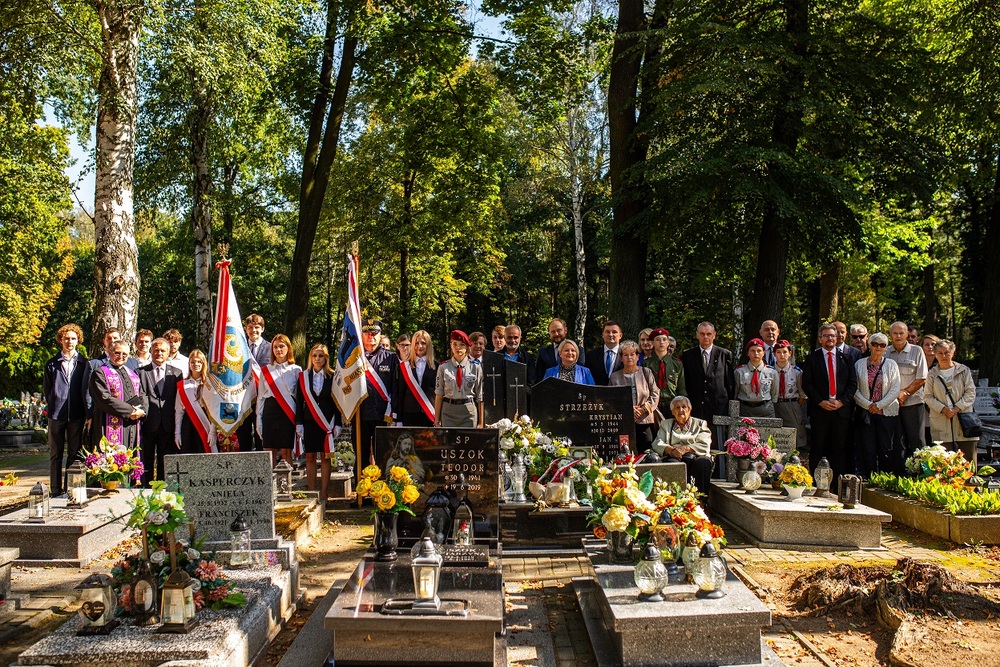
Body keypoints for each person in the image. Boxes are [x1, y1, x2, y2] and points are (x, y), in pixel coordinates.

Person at [801, 324, 857, 481]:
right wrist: (820, 401)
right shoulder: (812, 358)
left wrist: (841, 402)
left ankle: (835, 486)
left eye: (833, 335)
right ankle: (814, 482)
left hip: (841, 411)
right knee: (818, 448)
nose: (830, 338)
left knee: (839, 450)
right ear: (820, 339)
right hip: (820, 411)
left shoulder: (847, 358)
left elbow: (853, 384)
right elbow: (807, 384)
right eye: (826, 335)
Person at [43, 324, 89, 496]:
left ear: (78, 340)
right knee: (56, 454)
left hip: (77, 414)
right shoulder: (52, 364)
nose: (70, 342)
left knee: (74, 452)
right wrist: (54, 402)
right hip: (56, 414)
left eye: (73, 338)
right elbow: (47, 389)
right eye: (67, 338)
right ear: (61, 340)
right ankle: (55, 489)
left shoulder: (84, 363)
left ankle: (70, 489)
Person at [680, 322, 735, 450]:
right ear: (697, 335)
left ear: (714, 335)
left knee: (717, 445)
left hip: (718, 408)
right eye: (702, 334)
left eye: (709, 334)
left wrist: (730, 407)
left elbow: (730, 383)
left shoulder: (724, 354)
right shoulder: (688, 355)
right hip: (696, 407)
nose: (706, 337)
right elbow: (686, 381)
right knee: (695, 444)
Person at [853, 333, 901, 476]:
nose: (878, 347)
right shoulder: (859, 364)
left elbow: (895, 388)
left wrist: (879, 405)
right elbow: (854, 389)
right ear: (869, 345)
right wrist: (868, 405)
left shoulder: (891, 364)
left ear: (886, 348)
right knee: (868, 448)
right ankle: (870, 478)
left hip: (886, 413)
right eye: (875, 344)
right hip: (866, 412)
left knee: (886, 448)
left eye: (882, 345)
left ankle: (886, 479)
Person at [924, 339, 978, 466]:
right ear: (935, 354)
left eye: (947, 353)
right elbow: (927, 396)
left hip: (963, 419)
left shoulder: (964, 370)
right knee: (944, 462)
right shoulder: (932, 374)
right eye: (940, 353)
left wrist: (956, 408)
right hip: (941, 419)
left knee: (968, 460)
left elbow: (970, 393)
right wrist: (943, 409)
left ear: (953, 353)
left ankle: (969, 485)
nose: (943, 356)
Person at [296, 344, 338, 501]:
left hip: (327, 423)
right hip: (309, 422)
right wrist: (299, 423)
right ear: (310, 358)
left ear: (326, 358)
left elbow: (337, 402)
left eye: (321, 356)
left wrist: (338, 423)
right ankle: (312, 492)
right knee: (310, 457)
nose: (317, 359)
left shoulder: (333, 376)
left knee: (326, 457)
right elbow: (299, 402)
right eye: (315, 356)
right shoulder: (303, 376)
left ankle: (324, 492)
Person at [139, 338, 184, 485]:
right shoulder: (140, 372)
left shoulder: (177, 374)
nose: (159, 353)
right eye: (156, 350)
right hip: (148, 423)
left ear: (168, 352)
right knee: (146, 459)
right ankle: (145, 489)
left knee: (165, 461)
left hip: (168, 424)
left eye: (163, 351)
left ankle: (162, 490)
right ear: (151, 351)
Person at [89, 341, 147, 451]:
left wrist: (143, 411)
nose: (121, 356)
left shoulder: (132, 373)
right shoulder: (100, 373)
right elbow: (104, 399)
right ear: (109, 352)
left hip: (132, 424)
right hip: (108, 423)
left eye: (124, 354)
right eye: (117, 353)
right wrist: (130, 411)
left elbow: (142, 394)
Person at [651, 396, 715, 495]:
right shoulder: (666, 424)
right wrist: (671, 450)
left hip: (695, 455)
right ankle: (673, 499)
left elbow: (704, 444)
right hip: (674, 456)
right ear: (672, 412)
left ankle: (701, 500)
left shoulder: (700, 424)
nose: (681, 410)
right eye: (677, 408)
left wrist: (685, 448)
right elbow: (657, 443)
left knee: (703, 463)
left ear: (689, 410)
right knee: (672, 465)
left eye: (684, 407)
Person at [887, 321, 928, 467]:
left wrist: (905, 392)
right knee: (896, 442)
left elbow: (922, 377)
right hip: (892, 405)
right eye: (895, 333)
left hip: (913, 403)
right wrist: (895, 396)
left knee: (917, 440)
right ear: (890, 334)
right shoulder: (885, 352)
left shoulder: (916, 351)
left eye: (901, 333)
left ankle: (921, 475)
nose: (898, 336)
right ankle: (899, 475)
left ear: (907, 334)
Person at [257, 334, 301, 466]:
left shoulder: (296, 370)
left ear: (288, 348)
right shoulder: (265, 370)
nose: (278, 349)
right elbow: (260, 397)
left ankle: (286, 485)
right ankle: (270, 485)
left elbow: (299, 398)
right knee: (270, 451)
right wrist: (258, 418)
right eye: (275, 347)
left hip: (287, 412)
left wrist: (299, 420)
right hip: (270, 411)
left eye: (281, 346)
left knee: (286, 451)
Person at [610, 340, 660, 451]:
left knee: (646, 451)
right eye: (626, 355)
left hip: (645, 419)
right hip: (624, 421)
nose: (629, 358)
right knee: (626, 452)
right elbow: (611, 400)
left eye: (632, 354)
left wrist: (642, 409)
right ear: (621, 358)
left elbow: (655, 394)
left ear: (638, 356)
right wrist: (628, 410)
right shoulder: (614, 377)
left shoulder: (646, 372)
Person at [358, 318, 395, 464]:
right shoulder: (354, 359)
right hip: (360, 413)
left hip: (383, 414)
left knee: (384, 455)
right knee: (361, 455)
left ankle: (384, 486)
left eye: (374, 333)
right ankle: (360, 486)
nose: (370, 336)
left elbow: (395, 388)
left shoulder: (391, 358)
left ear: (380, 335)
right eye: (367, 333)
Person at [434, 330, 484, 428]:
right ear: (451, 345)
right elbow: (439, 395)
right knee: (448, 442)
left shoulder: (475, 367)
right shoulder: (443, 367)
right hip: (448, 412)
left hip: (468, 412)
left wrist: (481, 423)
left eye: (462, 344)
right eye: (455, 344)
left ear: (467, 347)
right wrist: (436, 420)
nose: (458, 347)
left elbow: (480, 397)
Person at [235, 314, 268, 453]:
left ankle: (262, 469)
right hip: (242, 397)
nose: (253, 330)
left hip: (262, 396)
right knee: (243, 434)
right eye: (250, 327)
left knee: (262, 434)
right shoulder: (237, 348)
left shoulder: (271, 348)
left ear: (262, 329)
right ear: (245, 329)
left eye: (256, 327)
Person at [392, 330, 437, 427]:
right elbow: (400, 393)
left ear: (428, 345)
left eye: (423, 343)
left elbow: (438, 393)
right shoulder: (405, 366)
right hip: (409, 413)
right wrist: (399, 419)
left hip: (430, 413)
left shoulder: (437, 366)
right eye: (416, 343)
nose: (419, 346)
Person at [175, 350, 216, 454]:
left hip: (206, 421)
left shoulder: (210, 383)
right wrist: (177, 433)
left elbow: (214, 409)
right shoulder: (182, 385)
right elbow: (179, 411)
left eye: (199, 361)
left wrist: (212, 431)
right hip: (188, 424)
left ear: (204, 363)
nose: (196, 364)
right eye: (192, 362)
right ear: (189, 364)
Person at [772, 340, 807, 451]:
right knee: (775, 435)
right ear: (774, 354)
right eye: (778, 352)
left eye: (785, 352)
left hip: (791, 405)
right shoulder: (770, 371)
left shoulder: (797, 372)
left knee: (794, 434)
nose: (782, 355)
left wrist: (795, 405)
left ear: (790, 353)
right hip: (774, 405)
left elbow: (802, 394)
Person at [735, 338, 779, 418]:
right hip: (745, 409)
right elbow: (735, 392)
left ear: (763, 353)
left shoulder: (772, 372)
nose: (756, 353)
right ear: (748, 353)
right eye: (752, 351)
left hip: (765, 409)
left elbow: (774, 393)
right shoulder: (739, 371)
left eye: (759, 351)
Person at [643, 328, 685, 404]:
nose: (661, 342)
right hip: (653, 404)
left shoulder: (677, 364)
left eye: (664, 339)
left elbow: (681, 388)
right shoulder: (646, 364)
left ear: (668, 342)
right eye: (658, 340)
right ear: (652, 343)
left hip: (672, 403)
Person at [585, 320, 624, 386]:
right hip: (597, 394)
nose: (610, 334)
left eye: (614, 332)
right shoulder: (591, 355)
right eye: (607, 332)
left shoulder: (626, 355)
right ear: (603, 335)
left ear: (620, 335)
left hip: (620, 393)